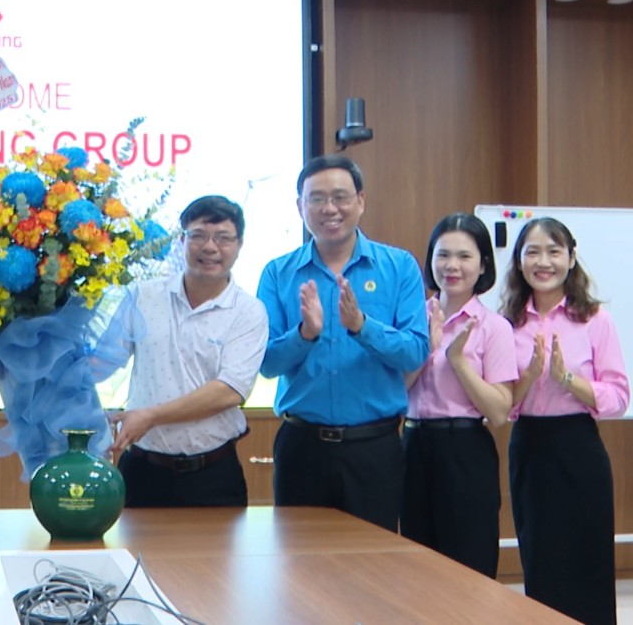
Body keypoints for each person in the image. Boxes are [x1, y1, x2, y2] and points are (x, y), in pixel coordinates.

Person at [256, 154, 428, 531]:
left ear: (361, 201)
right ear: (300, 206)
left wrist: (362, 326)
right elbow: (267, 363)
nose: (329, 208)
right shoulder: (278, 273)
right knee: (299, 565)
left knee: (372, 567)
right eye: (316, 198)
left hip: (375, 447)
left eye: (340, 197)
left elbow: (416, 350)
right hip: (302, 446)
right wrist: (306, 335)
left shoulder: (399, 267)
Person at [500, 217, 628, 625]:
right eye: (532, 251)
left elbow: (618, 397)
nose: (544, 261)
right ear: (519, 261)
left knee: (587, 562)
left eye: (554, 251)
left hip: (578, 447)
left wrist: (566, 379)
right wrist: (529, 377)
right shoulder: (507, 324)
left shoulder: (595, 320)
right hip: (530, 449)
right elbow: (505, 406)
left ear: (571, 258)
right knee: (540, 561)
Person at [104, 195, 267, 507]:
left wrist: (151, 416)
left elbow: (229, 392)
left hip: (213, 476)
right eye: (199, 236)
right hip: (141, 471)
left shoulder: (248, 311)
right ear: (181, 240)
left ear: (239, 245)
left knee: (215, 559)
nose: (210, 247)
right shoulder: (143, 295)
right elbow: (103, 359)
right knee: (136, 557)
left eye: (223, 238)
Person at [402, 213, 516, 577]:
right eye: (443, 254)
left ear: (483, 264)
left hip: (465, 450)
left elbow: (499, 413)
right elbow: (392, 393)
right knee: (418, 564)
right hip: (412, 445)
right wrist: (425, 349)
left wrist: (459, 363)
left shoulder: (494, 327)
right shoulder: (411, 319)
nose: (452, 266)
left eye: (465, 256)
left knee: (470, 564)